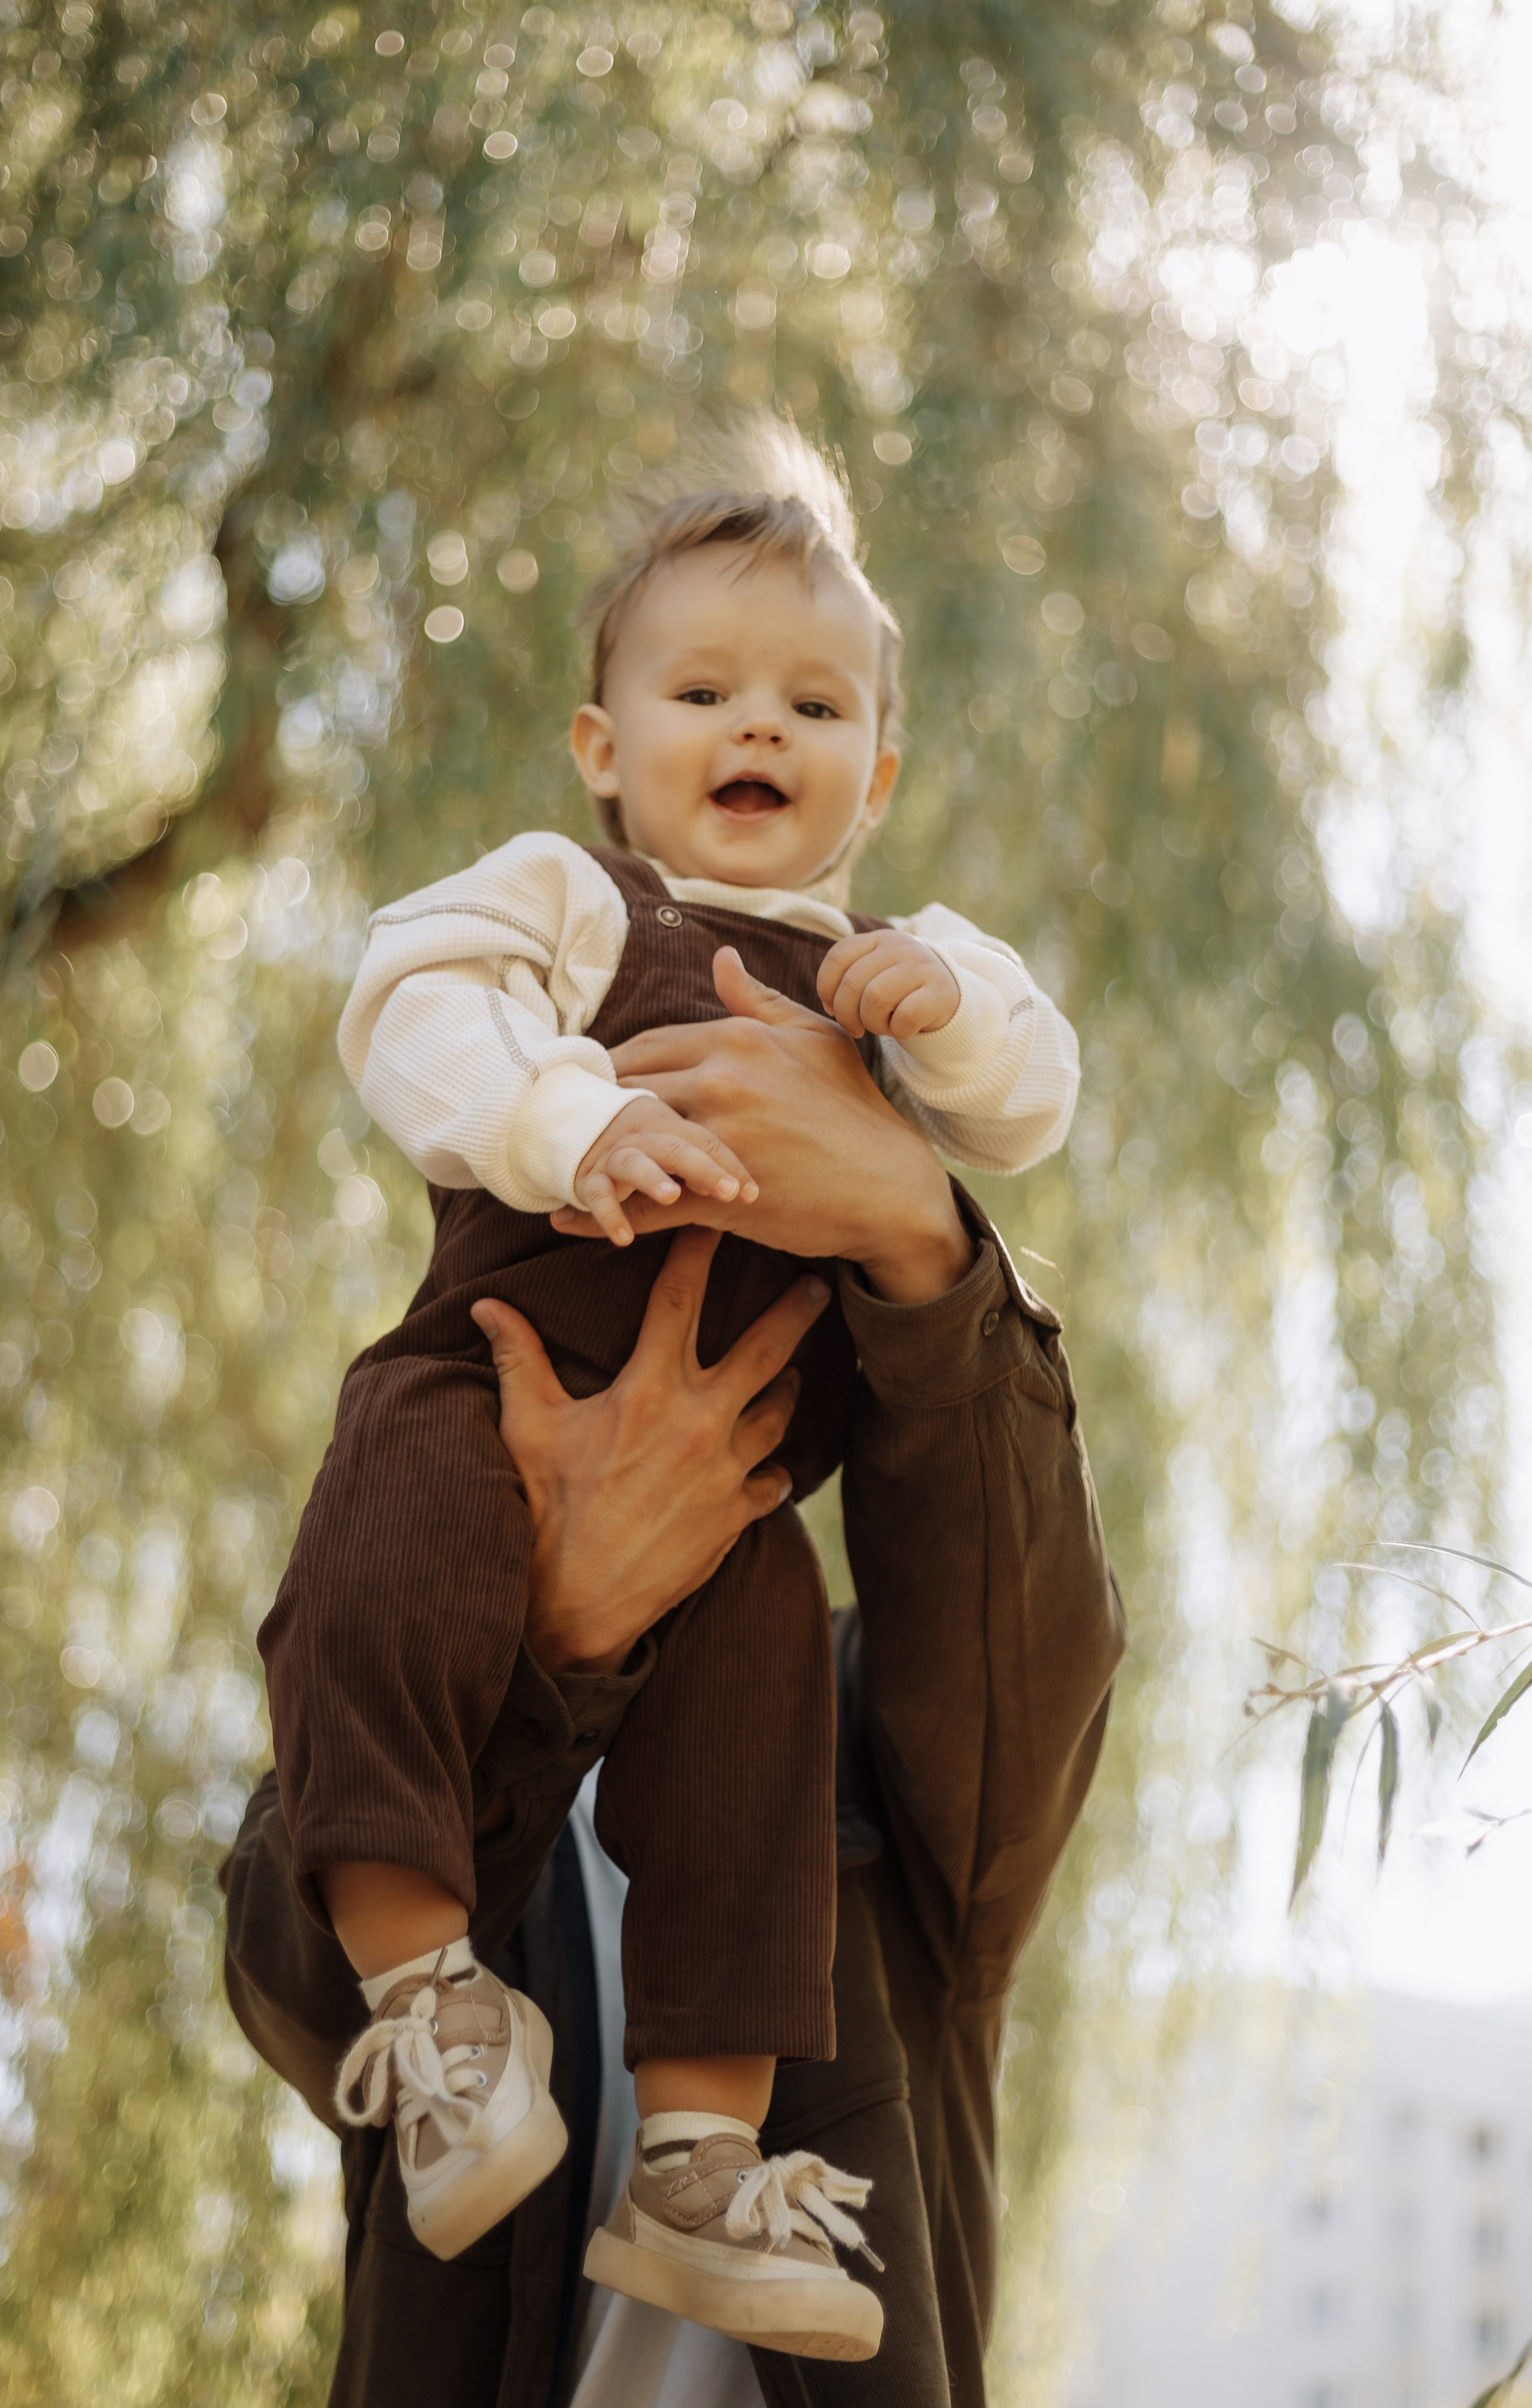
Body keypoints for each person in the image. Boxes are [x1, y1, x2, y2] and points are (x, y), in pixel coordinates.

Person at [255, 417, 1083, 2358]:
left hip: (748, 1518)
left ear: (875, 776)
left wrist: (936, 1066)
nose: (758, 725)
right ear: (602, 747)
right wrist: (565, 1119)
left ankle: (704, 2168)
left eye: (813, 703)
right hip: (491, 1395)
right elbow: (412, 1001)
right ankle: (434, 2008)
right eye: (702, 691)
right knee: (377, 1549)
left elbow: (1030, 1093)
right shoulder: (567, 900)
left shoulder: (890, 972)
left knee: (757, 1752)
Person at [221, 979, 1122, 2405]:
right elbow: (304, 1992)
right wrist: (564, 1640)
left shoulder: (879, 1767)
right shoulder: (376, 1734)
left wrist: (915, 1230)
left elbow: (1035, 1647)